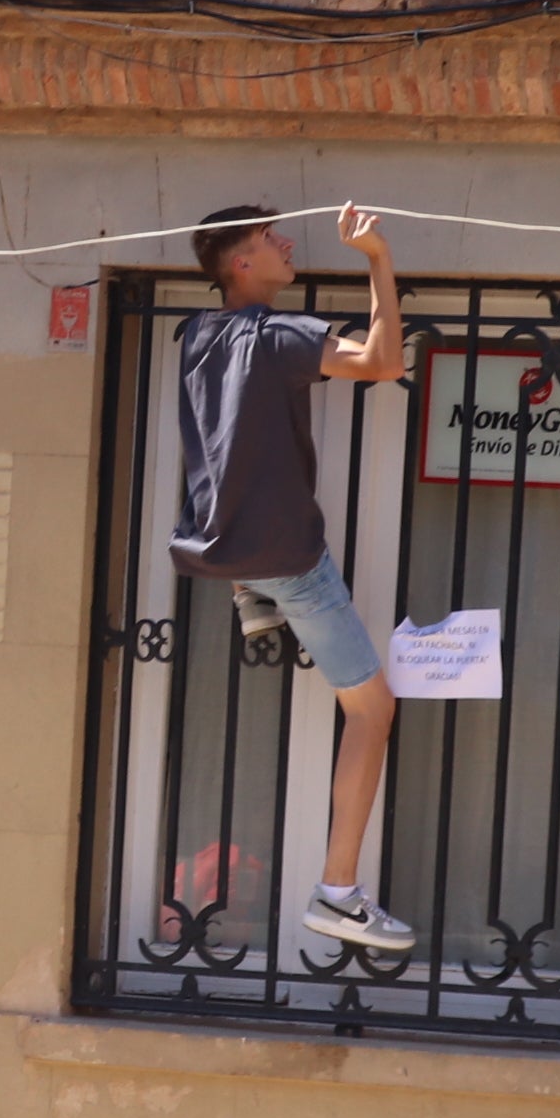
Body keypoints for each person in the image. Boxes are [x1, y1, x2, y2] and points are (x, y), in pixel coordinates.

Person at [170, 201, 412, 952]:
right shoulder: (277, 335)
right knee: (371, 711)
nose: (286, 242)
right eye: (267, 237)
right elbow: (384, 363)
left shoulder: (196, 334)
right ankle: (338, 894)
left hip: (219, 546)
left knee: (249, 515)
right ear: (241, 262)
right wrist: (377, 258)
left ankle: (252, 599)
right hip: (289, 559)